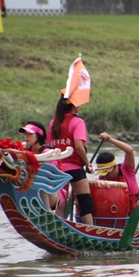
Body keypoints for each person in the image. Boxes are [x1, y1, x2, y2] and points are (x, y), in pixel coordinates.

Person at [46, 96, 94, 225]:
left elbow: (49, 146)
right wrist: (88, 163)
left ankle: (58, 230)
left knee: (60, 203)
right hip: (74, 168)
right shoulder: (77, 122)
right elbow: (78, 146)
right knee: (85, 203)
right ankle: (90, 232)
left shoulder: (53, 122)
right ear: (74, 105)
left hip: (56, 169)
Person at [19, 120, 67, 217]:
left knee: (41, 180)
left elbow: (49, 177)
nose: (26, 137)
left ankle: (48, 212)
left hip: (53, 193)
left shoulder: (48, 152)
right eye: (25, 134)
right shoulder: (26, 150)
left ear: (39, 135)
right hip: (34, 190)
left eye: (30, 134)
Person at [94, 132, 139, 214]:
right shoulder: (99, 181)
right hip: (113, 217)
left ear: (114, 167)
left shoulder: (127, 170)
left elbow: (129, 151)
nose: (105, 176)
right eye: (102, 173)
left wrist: (110, 139)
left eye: (107, 173)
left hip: (135, 217)